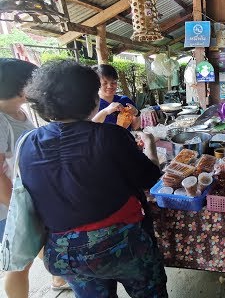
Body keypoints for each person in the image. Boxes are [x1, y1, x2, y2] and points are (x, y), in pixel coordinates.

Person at [20, 60, 168, 297]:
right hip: (120, 244)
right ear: (92, 99)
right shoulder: (110, 136)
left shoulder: (27, 142)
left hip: (64, 252)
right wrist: (150, 146)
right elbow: (151, 179)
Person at [0, 58, 69, 296]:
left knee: (42, 241)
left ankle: (59, 277)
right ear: (21, 86)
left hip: (28, 196)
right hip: (10, 205)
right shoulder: (0, 119)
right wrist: (18, 211)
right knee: (19, 265)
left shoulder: (17, 111)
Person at [91, 64, 141, 130]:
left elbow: (135, 127)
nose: (110, 86)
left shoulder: (125, 101)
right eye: (105, 83)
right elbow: (89, 128)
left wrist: (136, 113)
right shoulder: (92, 104)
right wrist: (105, 111)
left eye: (113, 82)